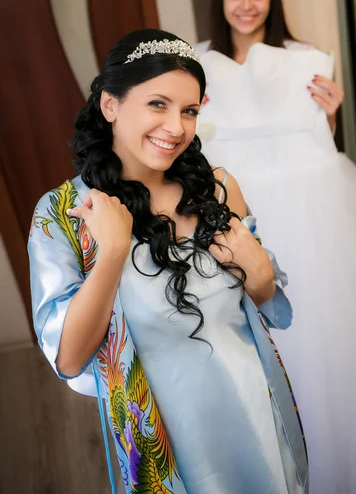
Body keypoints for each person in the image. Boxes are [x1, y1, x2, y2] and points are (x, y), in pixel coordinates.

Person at [28, 28, 309, 494]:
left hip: (255, 413)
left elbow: (265, 304)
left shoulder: (217, 188)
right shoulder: (63, 214)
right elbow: (70, 357)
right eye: (157, 104)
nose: (176, 127)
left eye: (190, 110)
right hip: (167, 440)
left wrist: (260, 275)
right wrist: (113, 254)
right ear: (111, 105)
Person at [195, 0, 356, 494]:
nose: (247, 4)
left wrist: (326, 118)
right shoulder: (197, 63)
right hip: (236, 209)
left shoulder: (306, 59)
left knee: (324, 325)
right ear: (220, 0)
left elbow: (318, 145)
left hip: (312, 209)